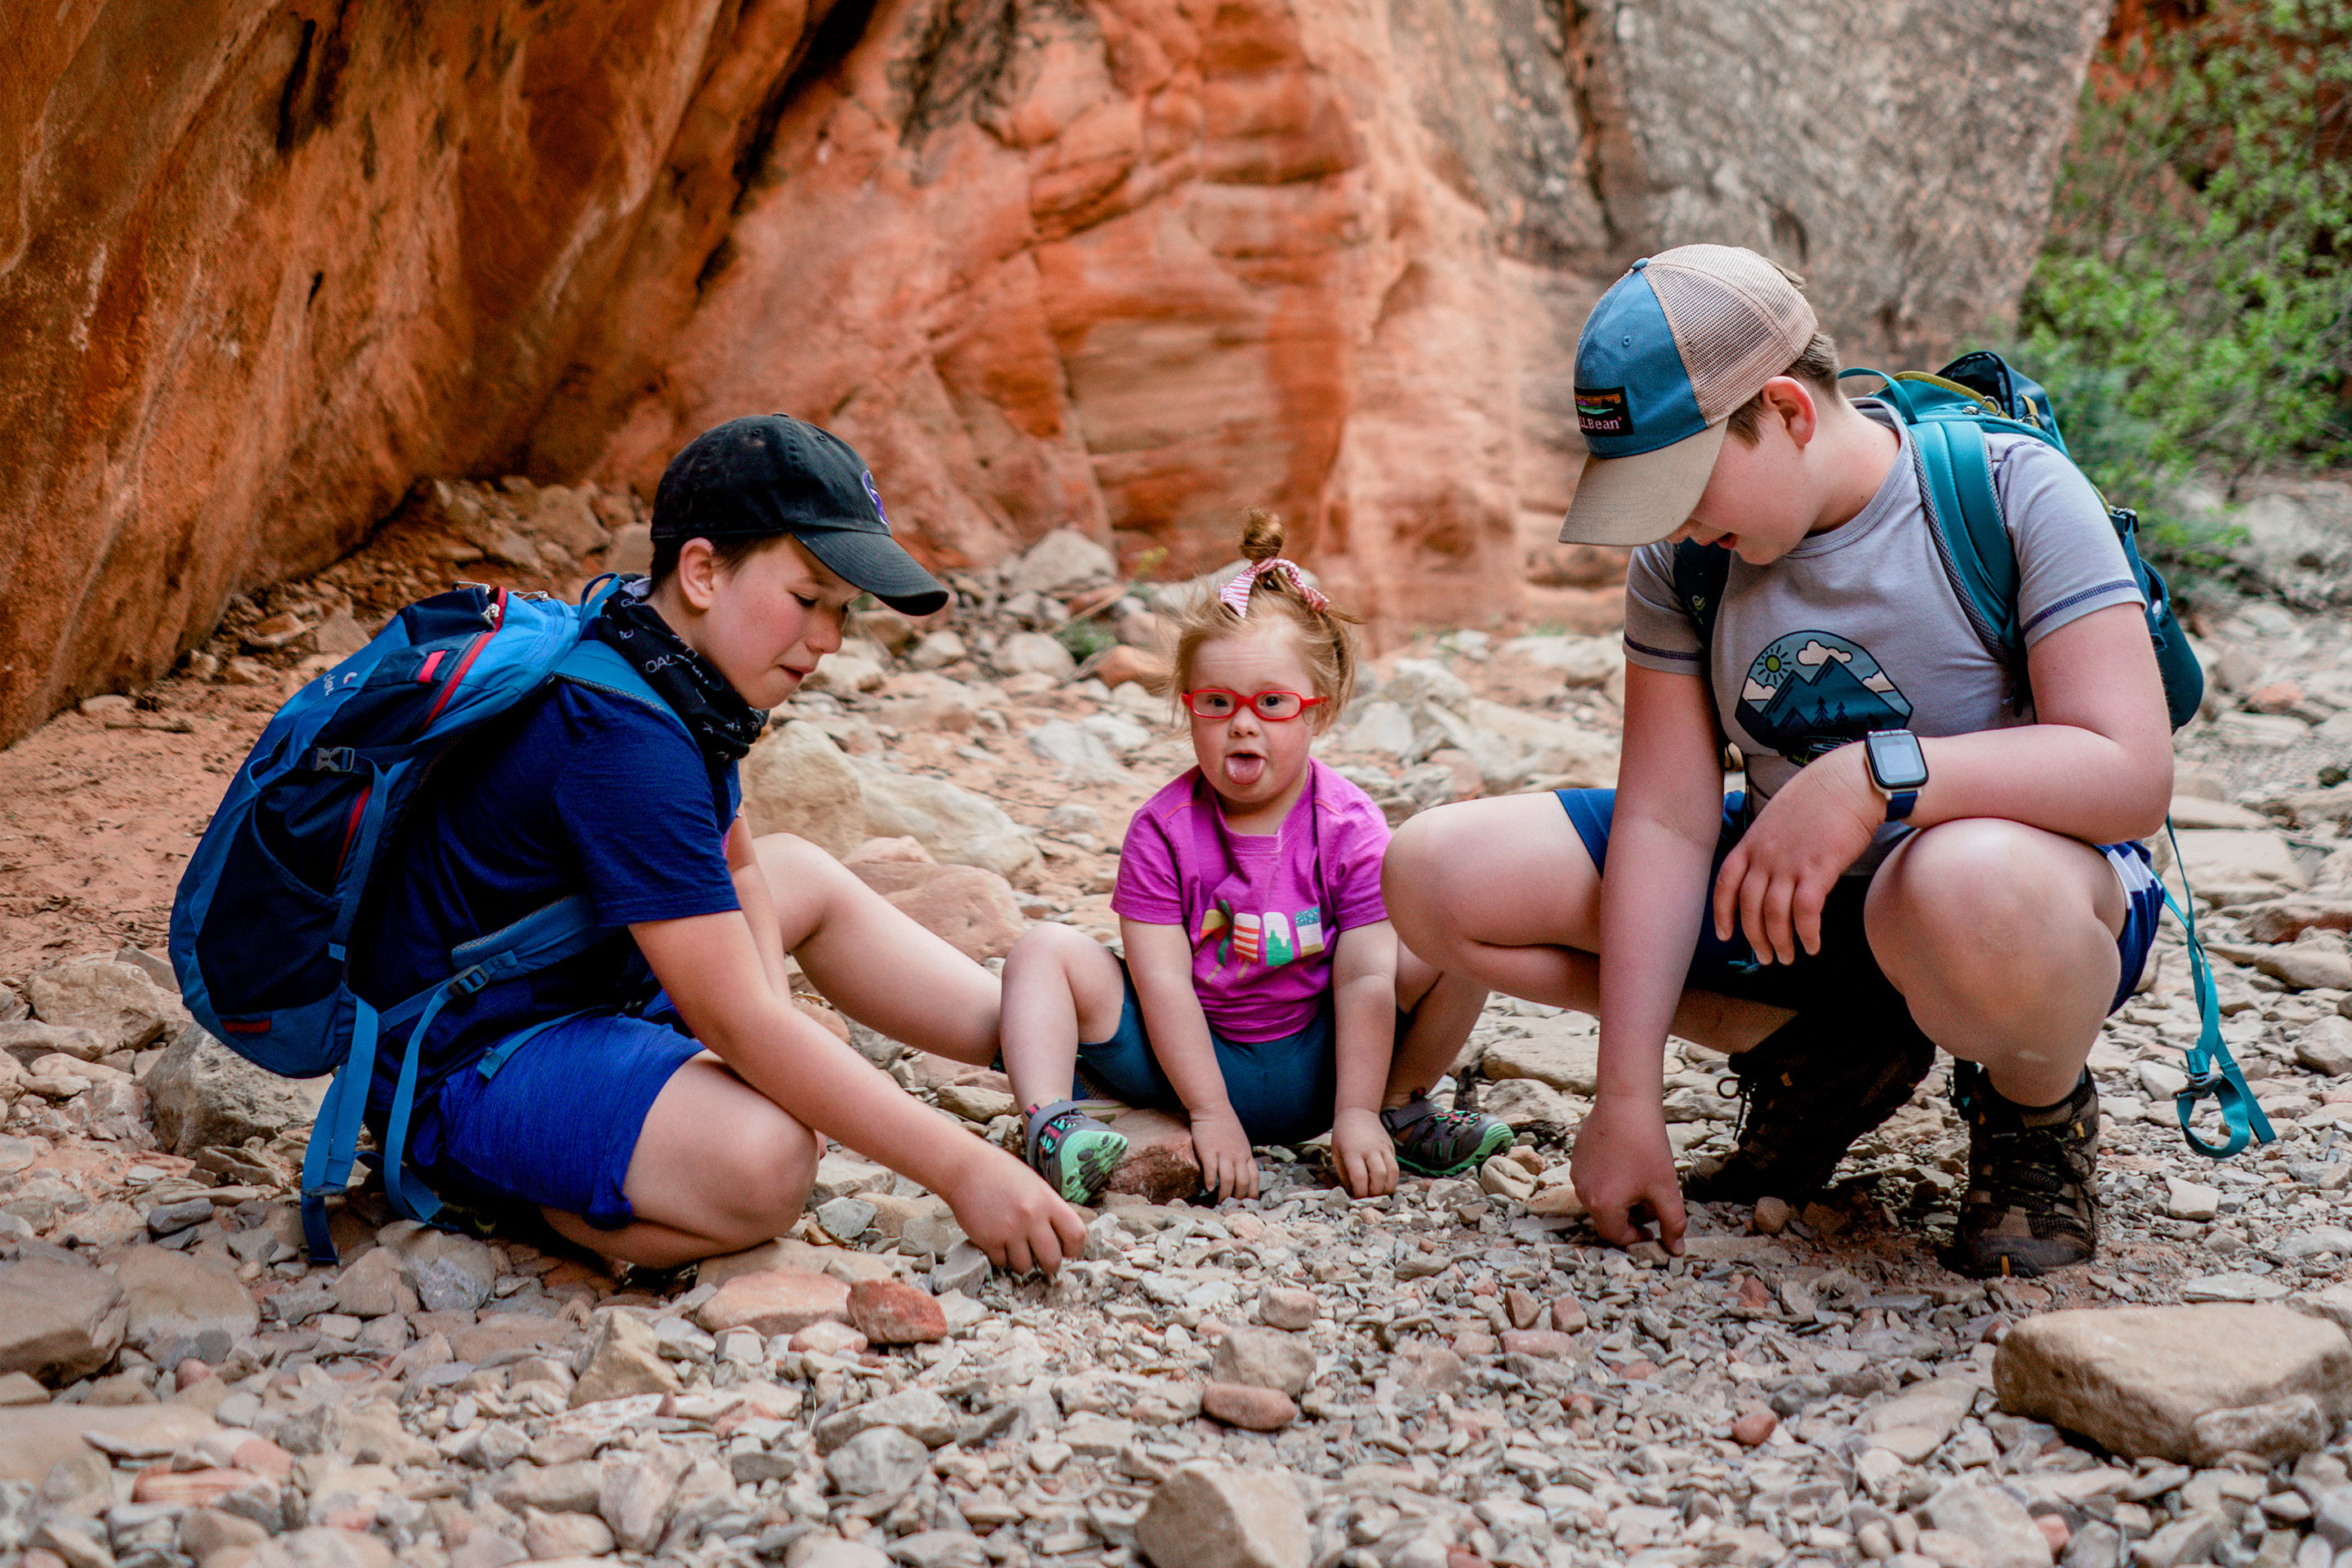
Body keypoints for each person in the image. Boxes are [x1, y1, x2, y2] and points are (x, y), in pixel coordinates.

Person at [1382, 246, 2172, 1277]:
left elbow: (2130, 772)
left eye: (1685, 481)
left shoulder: (2011, 490)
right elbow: (1667, 821)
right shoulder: (1683, 560)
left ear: (1789, 412)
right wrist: (1627, 1100)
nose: (1672, 520)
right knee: (1437, 874)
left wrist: (1876, 776)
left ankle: (2033, 1111)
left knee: (1956, 884)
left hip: (2004, 899)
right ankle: (1814, 1055)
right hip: (1795, 909)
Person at [354, 415, 1085, 1274]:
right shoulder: (626, 739)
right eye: (808, 600)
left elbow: (739, 864)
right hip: (469, 1063)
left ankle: (1061, 1050)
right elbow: (733, 1019)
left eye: (844, 613)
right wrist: (964, 1170)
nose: (827, 641)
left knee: (799, 873)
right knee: (769, 1162)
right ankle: (528, 1201)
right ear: (701, 571)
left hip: (579, 978)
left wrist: (764, 1032)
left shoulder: (659, 656)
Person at [998, 513, 1510, 1205]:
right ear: (1190, 711)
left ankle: (1400, 1111)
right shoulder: (1163, 830)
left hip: (1324, 1066)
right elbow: (1163, 985)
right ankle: (1055, 1128)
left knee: (1466, 923)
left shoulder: (1350, 826)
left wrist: (1353, 1112)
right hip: (1186, 1063)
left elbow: (1365, 978)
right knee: (1043, 949)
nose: (1242, 723)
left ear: (1317, 713)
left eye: (1271, 702)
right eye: (1216, 703)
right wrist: (1209, 1112)